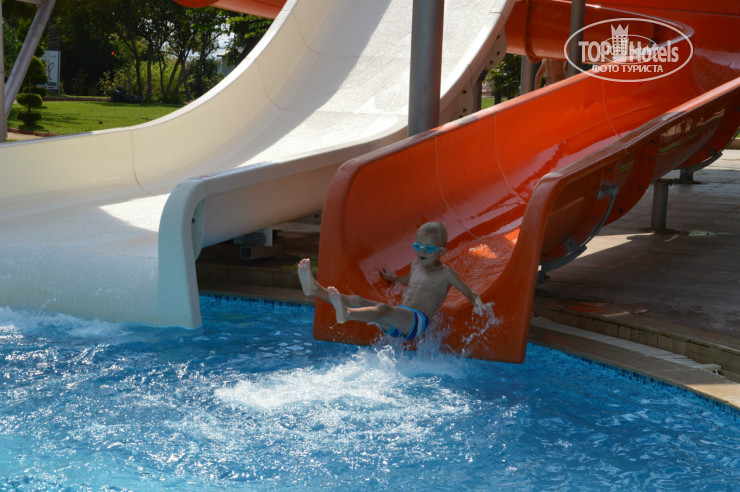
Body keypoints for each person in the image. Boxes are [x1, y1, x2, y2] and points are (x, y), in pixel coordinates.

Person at [297, 221, 491, 340]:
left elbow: (469, 292)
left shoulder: (446, 274)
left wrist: (478, 304)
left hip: (416, 322)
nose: (422, 251)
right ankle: (315, 290)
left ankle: (347, 314)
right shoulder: (416, 266)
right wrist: (394, 278)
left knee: (383, 309)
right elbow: (411, 281)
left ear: (442, 251)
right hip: (399, 319)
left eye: (429, 248)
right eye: (418, 246)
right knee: (358, 300)